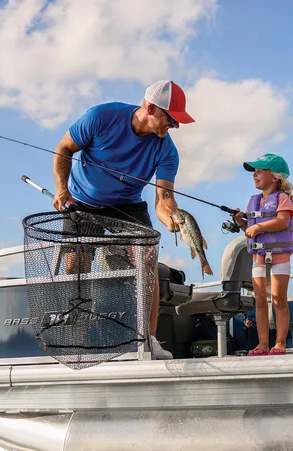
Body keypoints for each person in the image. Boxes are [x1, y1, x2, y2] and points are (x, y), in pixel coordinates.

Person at [51, 80, 195, 360]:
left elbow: (164, 198)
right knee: (74, 265)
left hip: (127, 204)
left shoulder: (167, 150)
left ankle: (148, 340)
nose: (174, 127)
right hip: (83, 201)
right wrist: (61, 189)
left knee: (147, 256)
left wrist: (169, 218)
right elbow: (64, 149)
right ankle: (79, 337)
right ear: (151, 108)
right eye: (171, 119)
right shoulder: (101, 117)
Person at [234, 154, 293, 356]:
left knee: (279, 300)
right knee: (260, 301)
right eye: (254, 171)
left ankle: (279, 343)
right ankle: (262, 343)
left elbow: (282, 221)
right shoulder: (253, 202)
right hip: (258, 260)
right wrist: (241, 223)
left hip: (279, 259)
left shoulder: (282, 198)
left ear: (275, 177)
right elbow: (250, 230)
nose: (255, 174)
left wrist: (258, 226)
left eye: (260, 170)